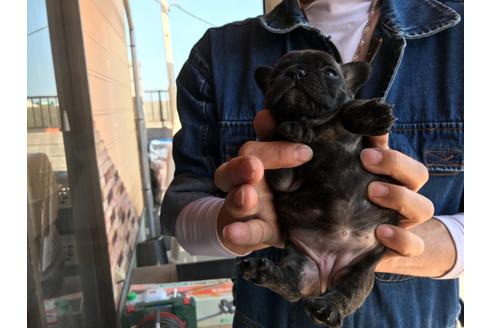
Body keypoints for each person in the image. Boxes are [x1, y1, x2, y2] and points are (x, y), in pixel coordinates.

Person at [161, 0, 464, 327]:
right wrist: (227, 222)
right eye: (282, 75)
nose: (299, 77)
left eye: (328, 74)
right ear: (265, 86)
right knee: (294, 264)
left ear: (350, 82)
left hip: (419, 315)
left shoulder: (466, 36)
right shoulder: (217, 54)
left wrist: (420, 242)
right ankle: (284, 278)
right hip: (282, 283)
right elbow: (180, 204)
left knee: (352, 280)